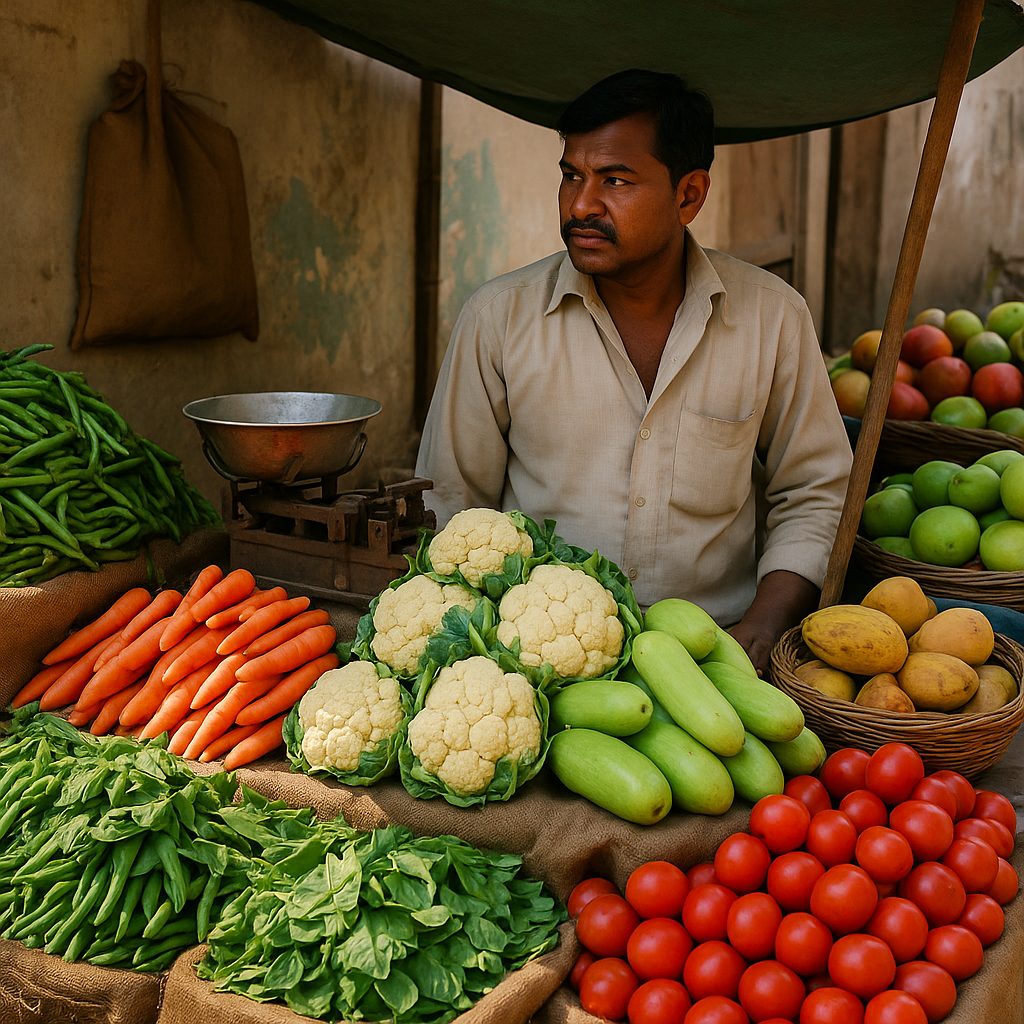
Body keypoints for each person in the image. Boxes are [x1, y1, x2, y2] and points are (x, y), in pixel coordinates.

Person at [415, 69, 852, 675]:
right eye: (571, 175)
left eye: (615, 180)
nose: (581, 205)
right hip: (536, 669)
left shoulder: (772, 318)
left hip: (719, 660)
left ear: (688, 196)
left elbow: (814, 490)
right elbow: (451, 500)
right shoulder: (498, 319)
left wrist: (763, 626)